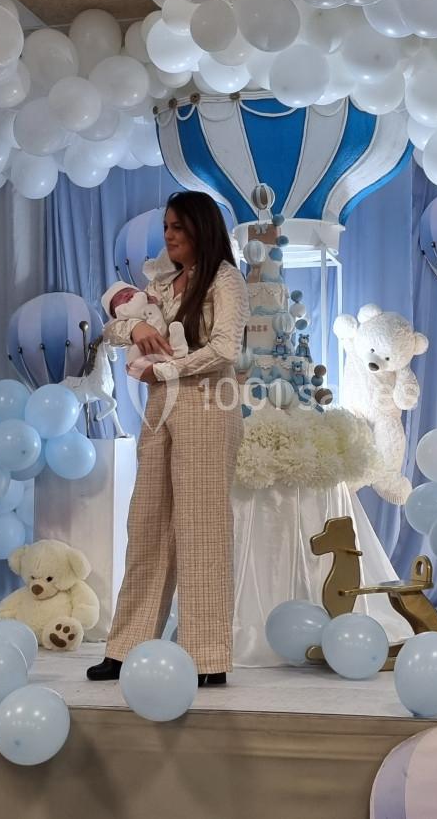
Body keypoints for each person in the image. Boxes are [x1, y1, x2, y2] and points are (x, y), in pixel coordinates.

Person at [87, 191, 250, 687]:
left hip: (207, 404)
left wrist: (169, 366)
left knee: (200, 527)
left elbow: (226, 346)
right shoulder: (161, 282)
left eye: (178, 226)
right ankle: (125, 645)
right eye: (166, 227)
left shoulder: (225, 279)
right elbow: (113, 326)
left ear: (202, 228)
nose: (169, 235)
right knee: (147, 521)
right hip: (162, 407)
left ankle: (206, 655)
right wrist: (136, 328)